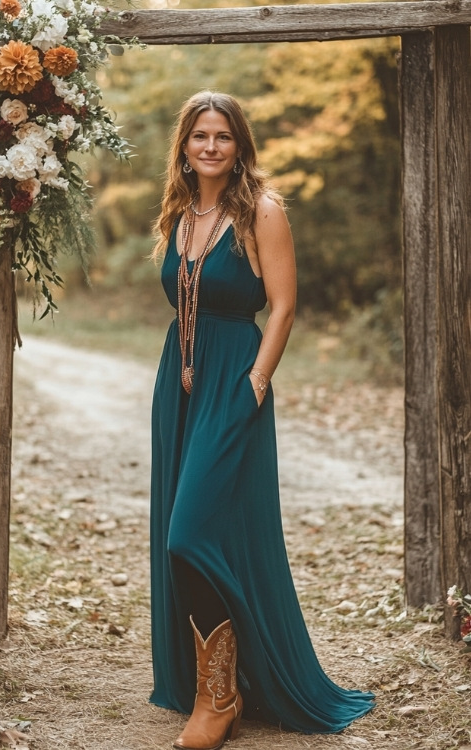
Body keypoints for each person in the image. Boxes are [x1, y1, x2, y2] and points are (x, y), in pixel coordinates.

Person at [149, 90, 374, 750]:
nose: (211, 146)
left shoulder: (262, 211)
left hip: (233, 379)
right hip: (180, 382)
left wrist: (255, 383)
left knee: (187, 534)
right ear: (184, 147)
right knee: (186, 526)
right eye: (199, 136)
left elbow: (282, 305)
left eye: (222, 135)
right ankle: (212, 686)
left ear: (239, 144)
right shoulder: (179, 212)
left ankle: (221, 697)